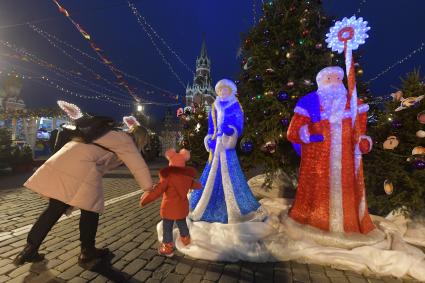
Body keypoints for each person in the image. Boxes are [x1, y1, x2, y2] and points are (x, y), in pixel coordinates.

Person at [13, 114, 153, 269]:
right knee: (90, 208)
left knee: (54, 210)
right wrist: (148, 188)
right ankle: (87, 251)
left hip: (64, 159)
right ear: (141, 138)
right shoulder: (126, 141)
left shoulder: (109, 133)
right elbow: (138, 166)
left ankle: (30, 248)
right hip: (82, 166)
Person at [286, 66, 375, 234]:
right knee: (318, 193)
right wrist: (310, 132)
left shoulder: (353, 102)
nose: (334, 82)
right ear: (321, 82)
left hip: (346, 160)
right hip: (318, 160)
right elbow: (293, 132)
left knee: (346, 191)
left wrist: (362, 141)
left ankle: (348, 222)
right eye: (329, 79)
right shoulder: (309, 102)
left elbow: (360, 130)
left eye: (338, 79)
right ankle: (317, 221)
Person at [189, 79, 266, 224]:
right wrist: (209, 138)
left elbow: (239, 123)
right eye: (220, 90)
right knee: (212, 171)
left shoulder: (235, 105)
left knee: (229, 172)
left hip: (227, 142)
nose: (222, 92)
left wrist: (232, 130)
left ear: (231, 91)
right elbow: (211, 125)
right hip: (216, 143)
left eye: (225, 90)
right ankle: (208, 204)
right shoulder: (214, 105)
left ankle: (233, 206)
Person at [140, 148, 202, 257]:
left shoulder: (167, 178)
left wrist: (145, 200)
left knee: (167, 227)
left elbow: (157, 191)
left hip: (168, 208)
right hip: (181, 208)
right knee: (182, 223)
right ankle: (186, 240)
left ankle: (168, 247)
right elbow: (197, 185)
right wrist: (200, 185)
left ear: (171, 163)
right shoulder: (187, 178)